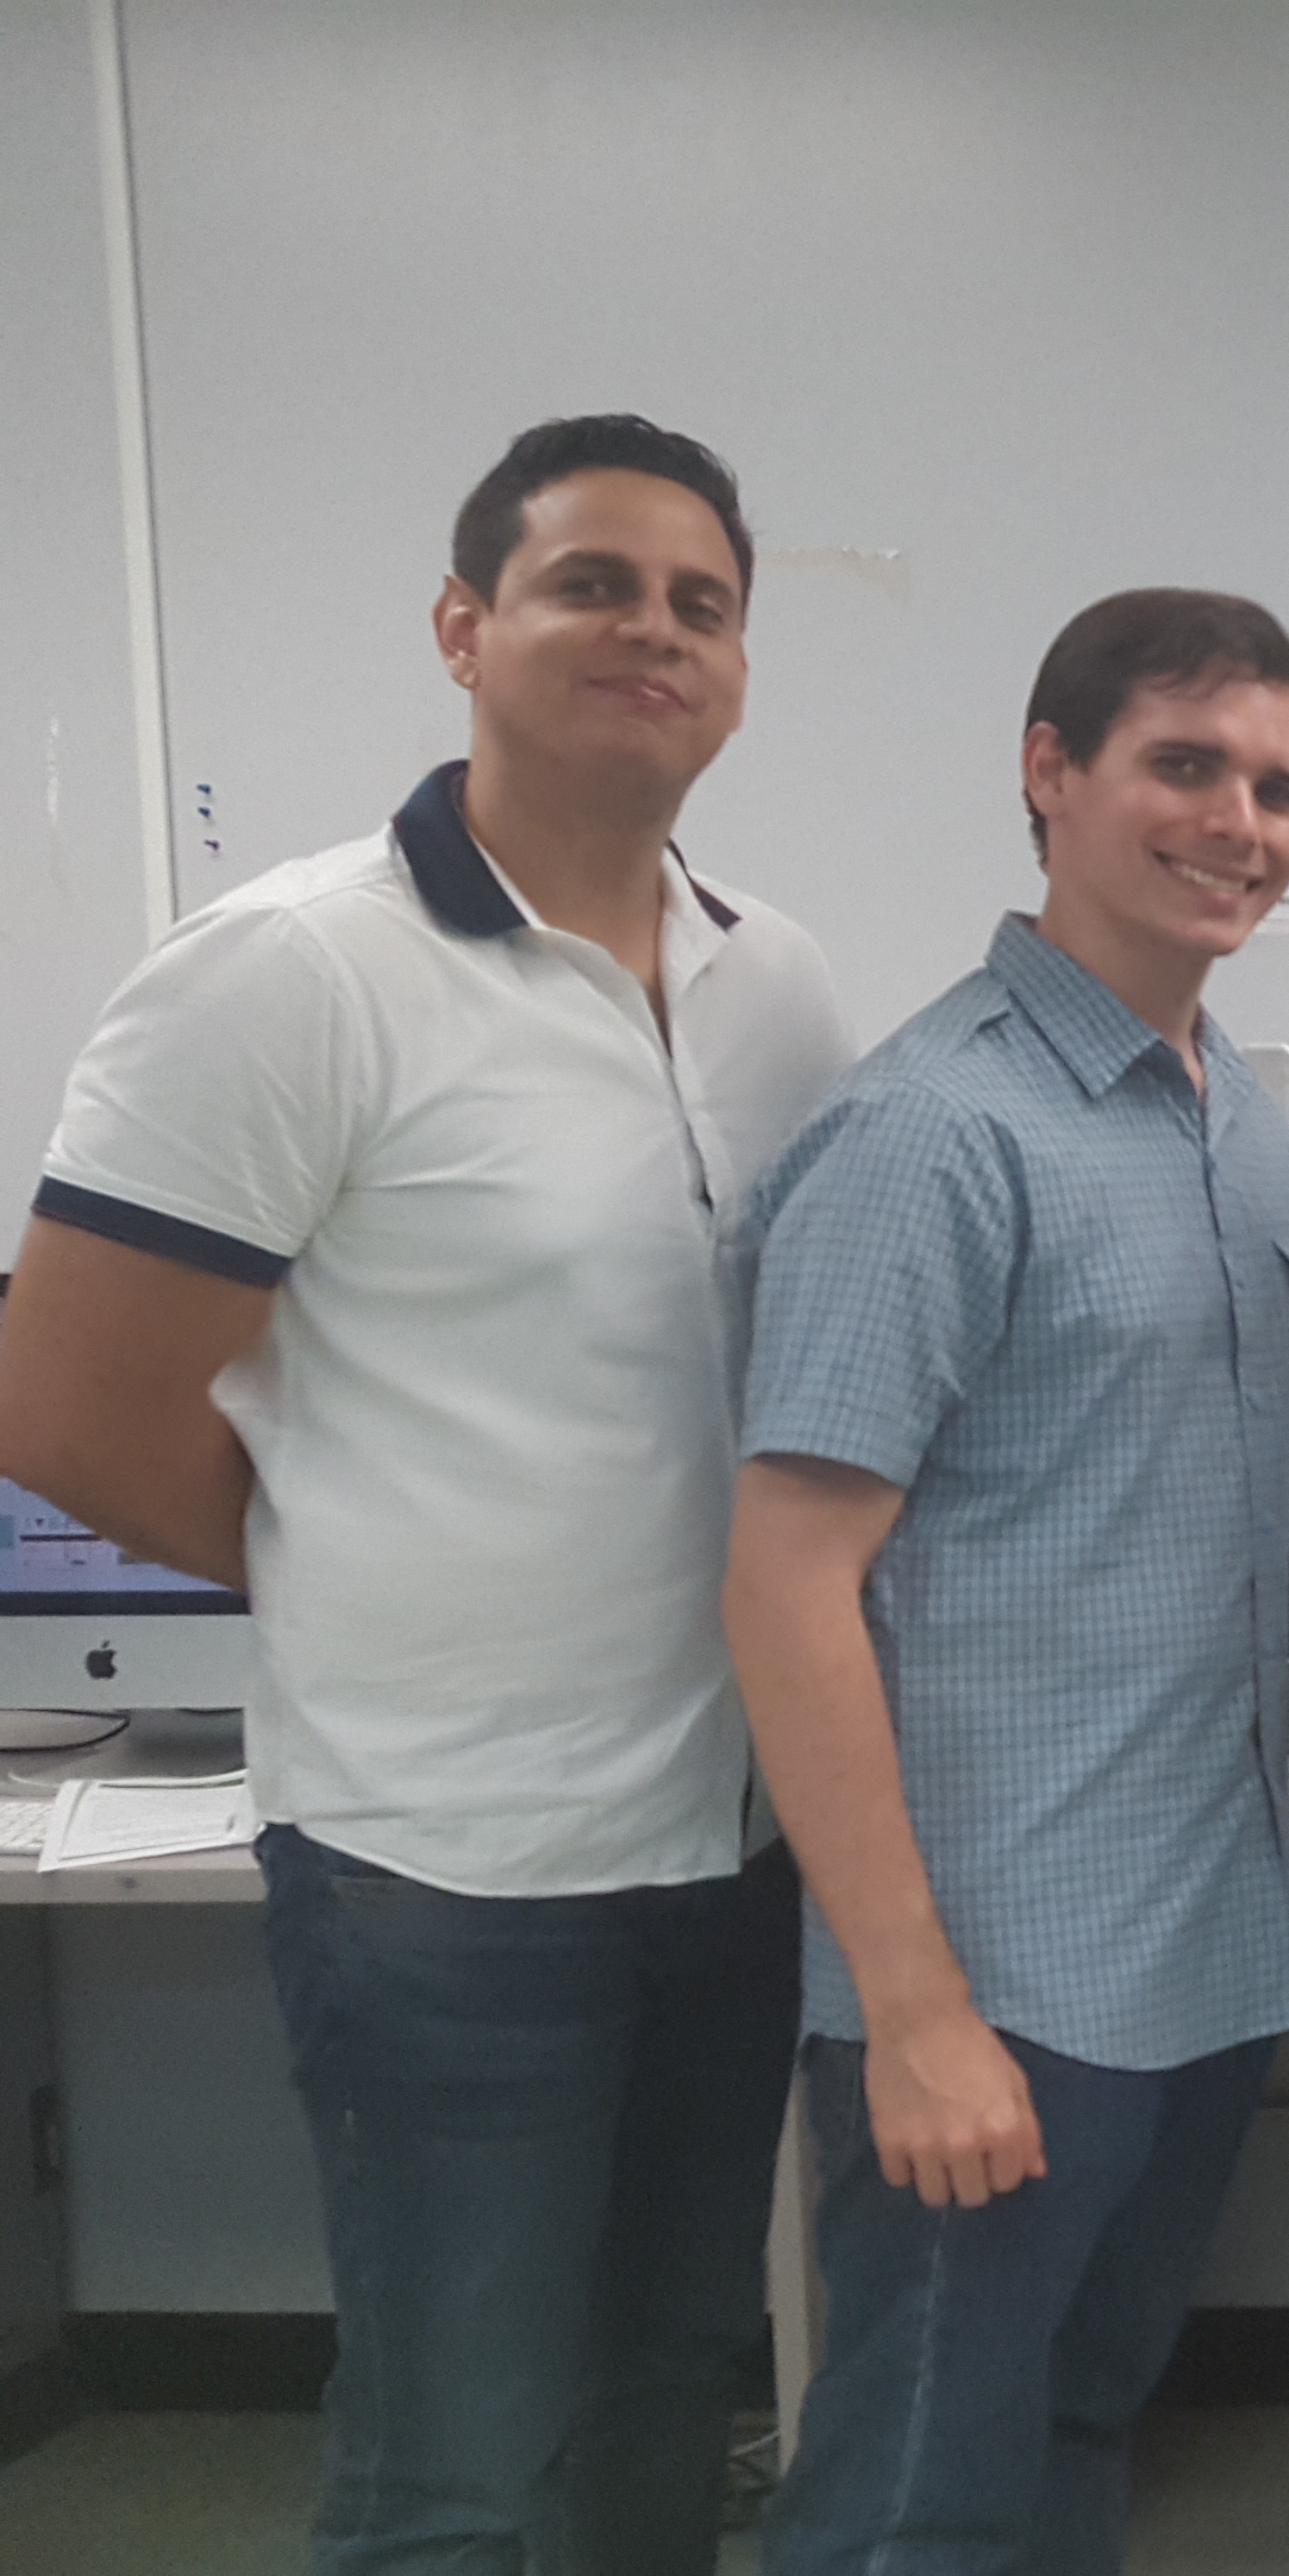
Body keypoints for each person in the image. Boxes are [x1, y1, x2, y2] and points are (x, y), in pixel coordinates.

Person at [0, 416, 842, 2574]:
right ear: (466, 630)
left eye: (700, 603)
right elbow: (66, 1407)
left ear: (738, 674)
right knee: (456, 2468)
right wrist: (357, 1547)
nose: (650, 630)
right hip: (442, 1871)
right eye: (591, 584)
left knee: (669, 2395)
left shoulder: (780, 985)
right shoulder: (292, 970)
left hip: (732, 1840)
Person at [723, 589, 1289, 2573]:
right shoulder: (933, 1131)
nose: (1238, 819)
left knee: (1074, 2438)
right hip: (996, 1985)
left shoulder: (1235, 1116)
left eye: (1276, 784)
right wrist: (911, 2013)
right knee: (912, 2510)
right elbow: (790, 1584)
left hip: (1201, 1954)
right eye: (1185, 765)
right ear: (1047, 772)